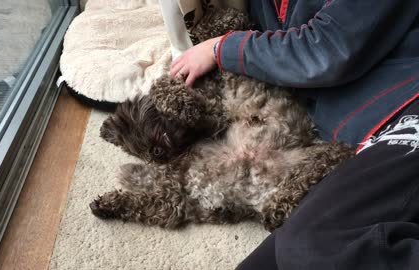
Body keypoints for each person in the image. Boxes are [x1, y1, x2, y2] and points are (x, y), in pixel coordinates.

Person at [171, 0, 419, 269]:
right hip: (365, 144)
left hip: (406, 107)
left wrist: (220, 47)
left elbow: (326, 51)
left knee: (313, 244)